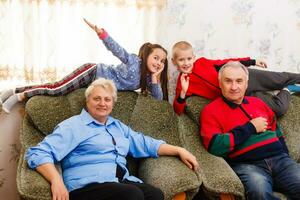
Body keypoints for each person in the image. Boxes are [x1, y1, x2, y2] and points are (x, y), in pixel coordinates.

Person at [25, 78, 198, 200]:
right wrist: (56, 180)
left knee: (155, 195)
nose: (102, 103)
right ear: (87, 101)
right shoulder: (74, 126)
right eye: (97, 99)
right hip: (85, 186)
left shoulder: (117, 126)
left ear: (113, 104)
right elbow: (38, 153)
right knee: (132, 195)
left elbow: (145, 143)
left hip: (118, 183)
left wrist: (178, 149)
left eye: (107, 99)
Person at [0, 18, 169, 113]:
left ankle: (15, 90)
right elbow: (117, 50)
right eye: (156, 57)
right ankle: (18, 96)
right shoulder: (134, 61)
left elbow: (158, 99)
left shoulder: (148, 79)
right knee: (57, 88)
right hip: (92, 72)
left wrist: (155, 77)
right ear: (147, 55)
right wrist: (102, 34)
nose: (158, 62)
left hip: (94, 84)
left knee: (56, 87)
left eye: (162, 61)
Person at [200, 61, 300, 200]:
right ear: (220, 83)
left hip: (280, 160)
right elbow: (215, 146)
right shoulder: (210, 111)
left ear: (246, 83)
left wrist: (285, 155)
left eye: (239, 81)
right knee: (259, 193)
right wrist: (250, 127)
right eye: (228, 81)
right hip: (248, 165)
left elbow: (276, 131)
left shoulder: (258, 103)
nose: (234, 87)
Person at [172, 41, 300, 117]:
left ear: (193, 57)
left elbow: (226, 62)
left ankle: (290, 82)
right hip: (239, 96)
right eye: (181, 60)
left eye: (189, 59)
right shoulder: (182, 84)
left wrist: (252, 61)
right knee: (279, 109)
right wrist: (183, 92)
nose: (186, 63)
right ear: (174, 62)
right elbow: (178, 110)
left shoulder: (202, 63)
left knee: (279, 78)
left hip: (244, 77)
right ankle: (288, 90)